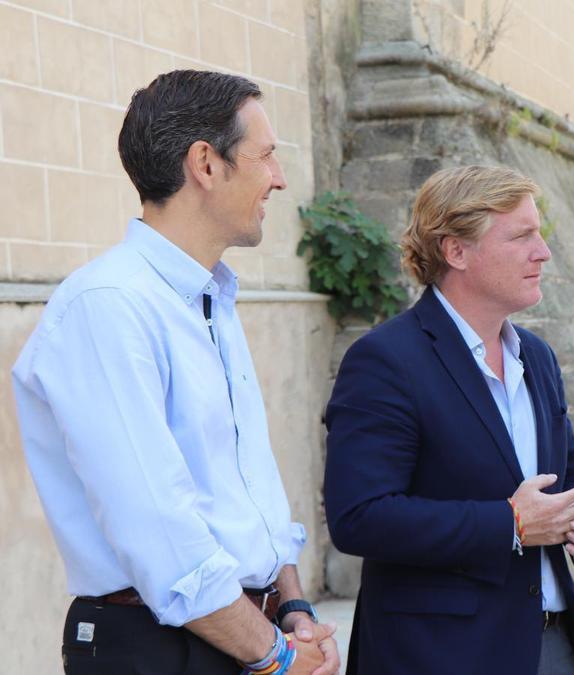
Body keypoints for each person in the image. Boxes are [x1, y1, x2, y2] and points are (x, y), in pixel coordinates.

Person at [11, 70, 338, 674]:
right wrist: (277, 656)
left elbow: (248, 484)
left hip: (240, 635)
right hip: (162, 648)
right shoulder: (109, 307)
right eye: (265, 156)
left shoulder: (207, 294)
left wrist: (292, 606)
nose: (280, 178)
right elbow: (162, 536)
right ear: (206, 165)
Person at [323, 165, 574, 675]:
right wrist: (511, 524)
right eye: (521, 236)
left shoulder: (537, 357)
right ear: (456, 251)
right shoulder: (386, 360)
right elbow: (359, 517)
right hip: (441, 653)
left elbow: (567, 472)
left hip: (555, 642)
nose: (542, 251)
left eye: (538, 234)